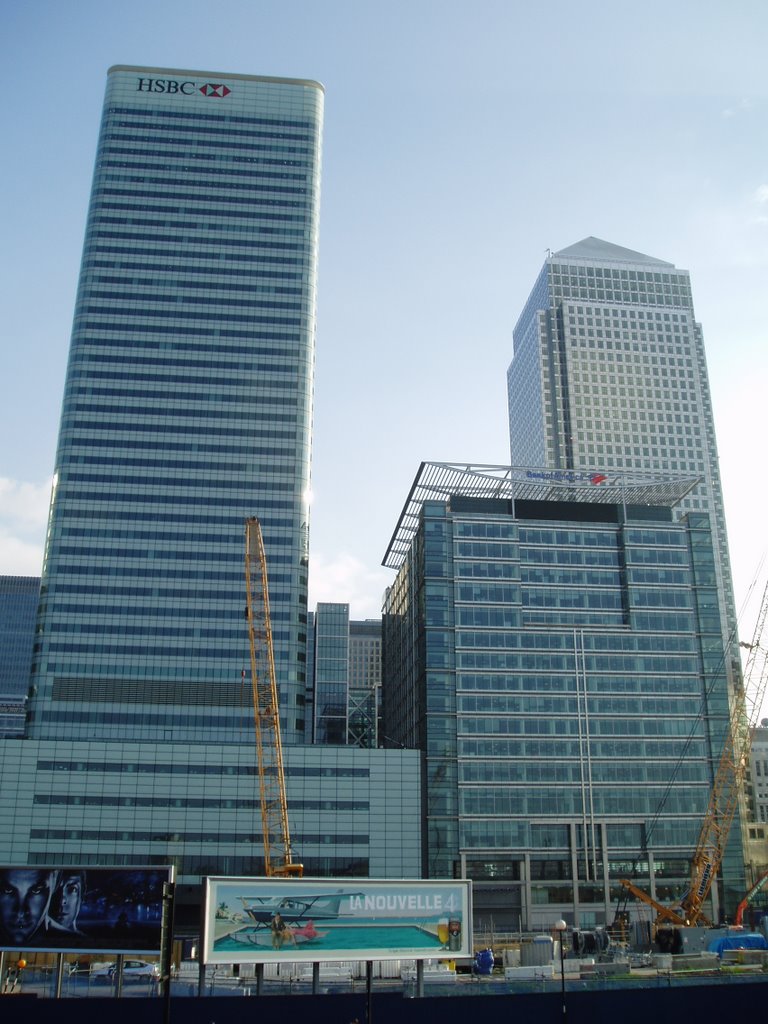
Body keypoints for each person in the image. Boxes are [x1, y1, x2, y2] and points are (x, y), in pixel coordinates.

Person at [0, 868, 58, 946]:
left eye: (36, 891)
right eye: (7, 890)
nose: (20, 913)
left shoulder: (72, 941)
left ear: (55, 881)